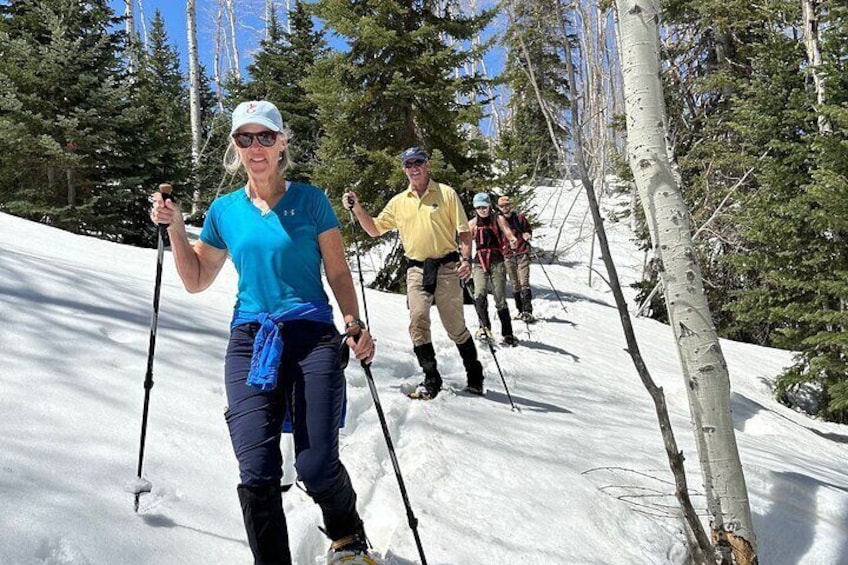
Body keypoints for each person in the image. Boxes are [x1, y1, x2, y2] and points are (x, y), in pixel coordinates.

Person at [150, 100, 377, 565]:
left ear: (282, 144)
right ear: (235, 147)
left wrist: (352, 322)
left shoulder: (311, 201)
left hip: (312, 335)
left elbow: (336, 271)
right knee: (256, 468)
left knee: (314, 466)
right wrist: (175, 229)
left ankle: (347, 534)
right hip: (252, 340)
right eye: (244, 138)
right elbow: (196, 279)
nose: (256, 147)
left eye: (265, 137)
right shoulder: (224, 210)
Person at [342, 146, 485, 399]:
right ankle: (431, 378)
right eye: (409, 164)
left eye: (418, 162)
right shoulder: (399, 202)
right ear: (404, 169)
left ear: (427, 164)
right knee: (417, 321)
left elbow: (464, 233)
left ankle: (474, 374)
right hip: (417, 270)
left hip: (447, 267)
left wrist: (466, 259)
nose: (414, 168)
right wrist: (357, 208)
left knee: (455, 327)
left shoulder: (446, 194)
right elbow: (374, 228)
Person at [468, 192, 520, 346]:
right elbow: (466, 242)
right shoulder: (472, 223)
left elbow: (508, 233)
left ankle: (508, 333)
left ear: (489, 205)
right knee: (479, 293)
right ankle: (484, 328)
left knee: (500, 297)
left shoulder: (498, 219)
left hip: (496, 260)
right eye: (478, 207)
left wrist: (512, 240)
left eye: (484, 206)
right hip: (479, 260)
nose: (481, 210)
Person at [498, 195, 535, 323]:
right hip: (507, 255)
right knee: (515, 284)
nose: (505, 208)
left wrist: (528, 235)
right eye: (502, 206)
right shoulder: (499, 221)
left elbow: (528, 230)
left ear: (511, 206)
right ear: (499, 207)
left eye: (507, 205)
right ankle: (520, 310)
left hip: (522, 252)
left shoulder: (520, 218)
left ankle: (527, 311)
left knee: (524, 281)